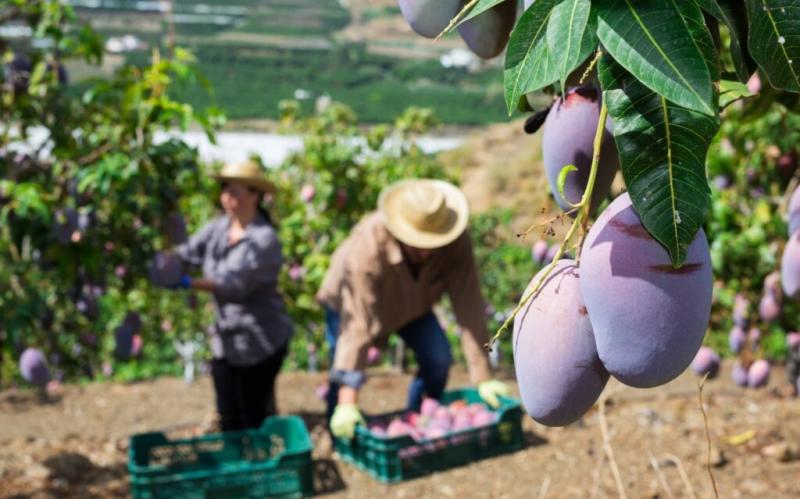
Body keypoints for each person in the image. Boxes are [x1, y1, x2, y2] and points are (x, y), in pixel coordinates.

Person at [317, 178, 510, 439]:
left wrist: (482, 374)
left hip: (413, 304)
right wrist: (348, 402)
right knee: (341, 373)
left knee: (438, 358)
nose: (427, 251)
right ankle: (338, 433)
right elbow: (357, 324)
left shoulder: (455, 241)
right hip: (351, 307)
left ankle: (420, 422)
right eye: (419, 242)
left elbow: (469, 303)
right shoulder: (368, 246)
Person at [167, 160, 293, 432]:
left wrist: (188, 282)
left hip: (260, 340)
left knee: (253, 414)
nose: (227, 197)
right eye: (225, 189)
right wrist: (168, 261)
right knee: (228, 412)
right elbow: (189, 251)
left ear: (255, 196)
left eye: (235, 191)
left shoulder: (264, 240)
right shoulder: (219, 228)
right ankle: (239, 465)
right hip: (227, 340)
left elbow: (234, 286)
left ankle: (258, 467)